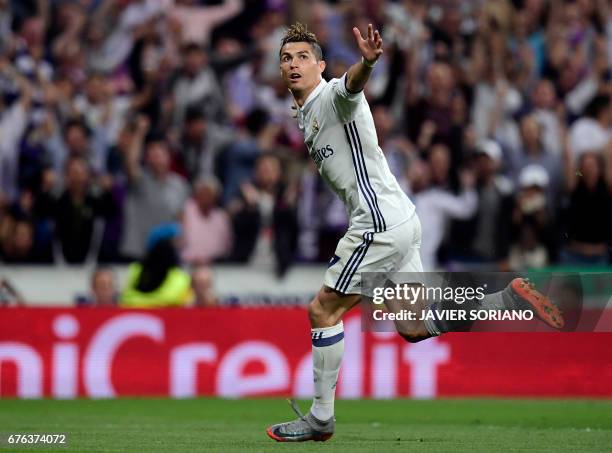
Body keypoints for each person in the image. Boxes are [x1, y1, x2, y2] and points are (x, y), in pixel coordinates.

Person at [266, 22, 564, 443]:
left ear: (320, 65)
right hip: (401, 219)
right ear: (280, 70)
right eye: (286, 58)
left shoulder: (330, 97)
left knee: (322, 312)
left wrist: (368, 62)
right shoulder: (305, 113)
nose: (293, 64)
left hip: (378, 224)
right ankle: (506, 298)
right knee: (413, 327)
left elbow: (351, 87)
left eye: (302, 57)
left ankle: (320, 418)